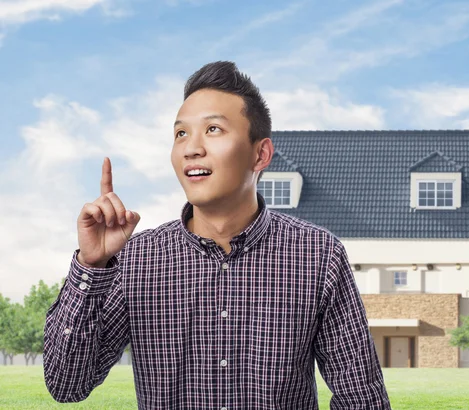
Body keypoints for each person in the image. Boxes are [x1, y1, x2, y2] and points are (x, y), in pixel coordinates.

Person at [43, 61, 392, 409]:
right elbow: (66, 384)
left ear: (261, 154)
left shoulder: (317, 254)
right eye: (181, 133)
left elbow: (360, 397)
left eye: (213, 129)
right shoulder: (137, 258)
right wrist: (91, 266)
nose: (191, 148)